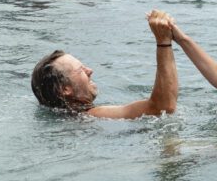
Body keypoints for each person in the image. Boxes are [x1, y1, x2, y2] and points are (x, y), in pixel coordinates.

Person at [31, 10, 177, 119]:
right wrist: (163, 42)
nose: (90, 70)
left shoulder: (68, 120)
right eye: (80, 70)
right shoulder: (94, 116)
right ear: (65, 89)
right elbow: (163, 107)